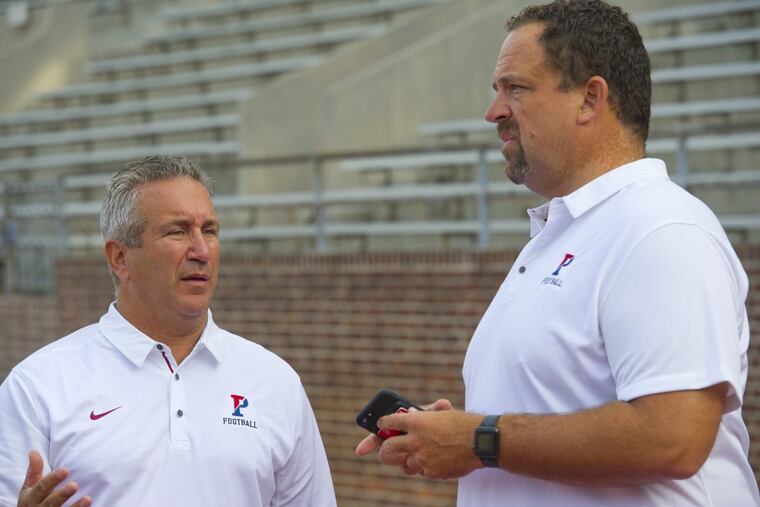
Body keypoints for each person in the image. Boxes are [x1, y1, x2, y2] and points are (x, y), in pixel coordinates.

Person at [356, 0, 760, 505]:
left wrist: (479, 438)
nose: (494, 112)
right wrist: (457, 433)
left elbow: (672, 437)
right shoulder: (568, 233)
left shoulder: (660, 229)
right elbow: (549, 410)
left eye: (516, 88)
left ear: (591, 99)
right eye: (497, 91)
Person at [0, 156, 337, 507]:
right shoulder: (36, 388)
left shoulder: (275, 381)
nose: (202, 250)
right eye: (177, 231)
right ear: (119, 258)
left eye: (209, 230)